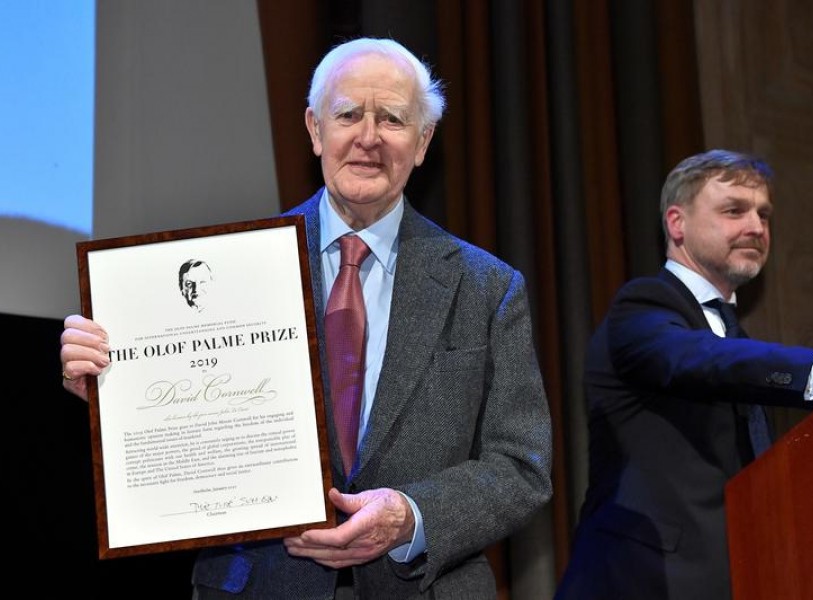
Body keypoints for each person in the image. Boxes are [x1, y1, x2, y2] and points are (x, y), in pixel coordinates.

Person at [60, 37, 552, 599]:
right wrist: (114, 386)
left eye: (391, 118)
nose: (368, 137)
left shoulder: (487, 287)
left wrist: (412, 515)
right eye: (347, 115)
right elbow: (186, 414)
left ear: (423, 141)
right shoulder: (234, 270)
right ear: (316, 130)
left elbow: (521, 466)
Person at [554, 149, 813, 600]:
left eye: (763, 214)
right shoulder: (642, 307)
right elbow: (699, 358)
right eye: (734, 210)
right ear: (677, 224)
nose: (756, 227)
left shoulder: (738, 338)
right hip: (641, 582)